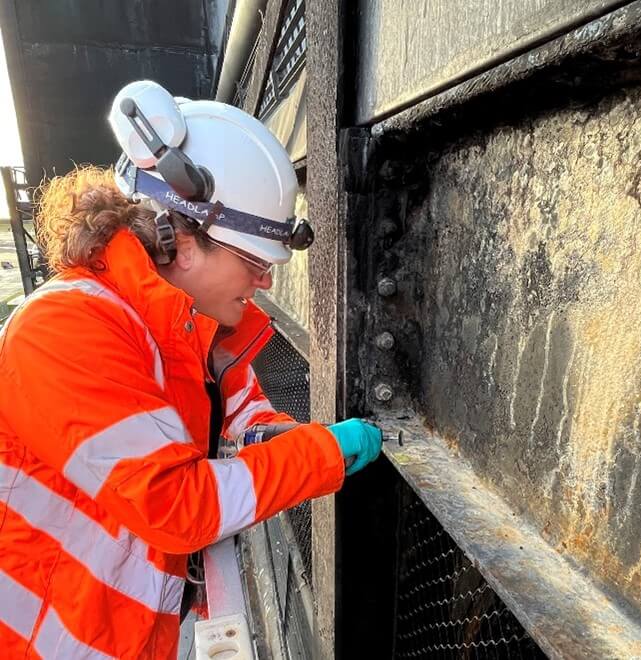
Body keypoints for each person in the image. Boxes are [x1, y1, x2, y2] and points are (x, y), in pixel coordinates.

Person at [0, 80, 382, 658]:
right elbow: (176, 506)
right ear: (177, 239)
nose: (266, 282)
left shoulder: (177, 330)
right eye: (254, 261)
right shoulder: (63, 328)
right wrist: (321, 454)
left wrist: (285, 436)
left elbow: (243, 412)